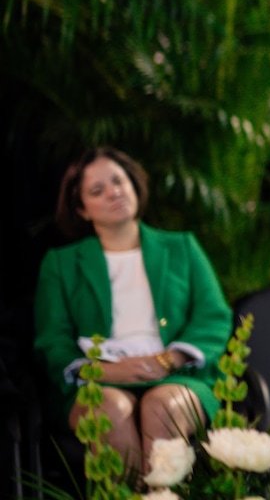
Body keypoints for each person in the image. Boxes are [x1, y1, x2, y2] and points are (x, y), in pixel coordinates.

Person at [32, 148, 232, 474]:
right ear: (82, 209)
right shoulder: (60, 264)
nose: (114, 192)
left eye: (118, 181)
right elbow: (52, 340)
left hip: (177, 373)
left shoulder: (182, 247)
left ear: (133, 185)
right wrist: (108, 372)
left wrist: (168, 361)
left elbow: (214, 316)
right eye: (97, 190)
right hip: (95, 381)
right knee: (110, 407)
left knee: (163, 406)